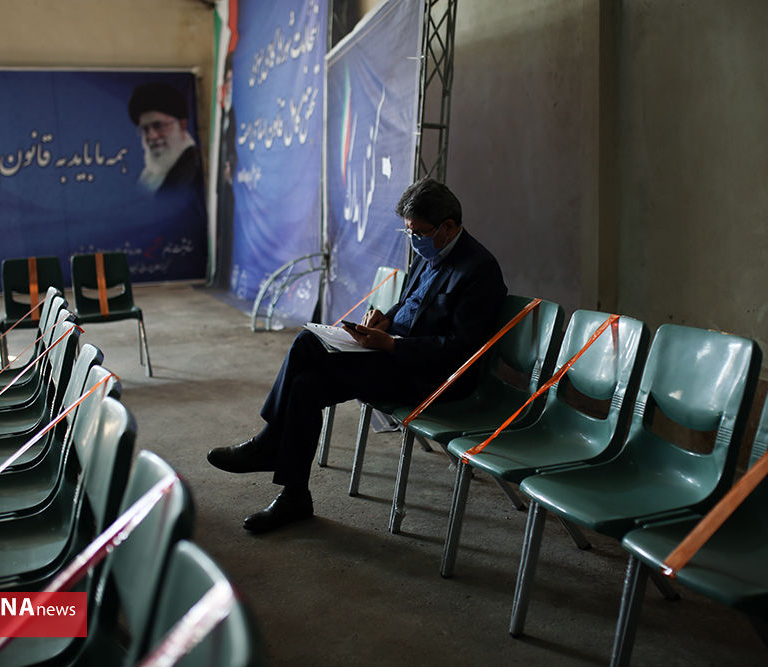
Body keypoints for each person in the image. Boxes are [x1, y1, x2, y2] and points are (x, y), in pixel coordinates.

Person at [208, 178, 507, 533]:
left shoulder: (479, 270)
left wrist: (393, 345)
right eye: (408, 232)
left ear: (448, 226)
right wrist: (386, 318)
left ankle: (267, 445)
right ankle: (294, 496)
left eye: (419, 233)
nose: (413, 240)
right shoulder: (430, 251)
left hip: (434, 379)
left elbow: (462, 350)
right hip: (393, 357)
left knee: (306, 344)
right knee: (304, 386)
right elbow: (412, 303)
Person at [128, 82, 204, 196]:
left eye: (158, 126)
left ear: (182, 125)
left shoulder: (193, 170)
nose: (152, 136)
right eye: (145, 129)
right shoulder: (148, 176)